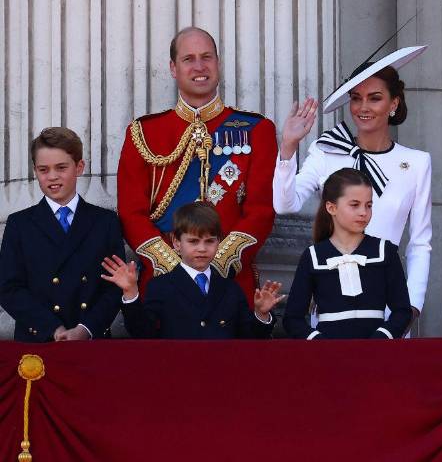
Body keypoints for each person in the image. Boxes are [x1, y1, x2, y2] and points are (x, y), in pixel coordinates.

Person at [273, 46, 431, 330]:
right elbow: (285, 204)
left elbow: (419, 242)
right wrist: (288, 148)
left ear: (394, 104)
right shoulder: (327, 151)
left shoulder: (417, 163)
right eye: (356, 98)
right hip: (331, 300)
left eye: (375, 98)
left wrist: (411, 307)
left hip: (388, 303)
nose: (363, 108)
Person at [117, 27, 276, 301]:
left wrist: (216, 265)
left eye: (207, 57)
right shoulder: (142, 133)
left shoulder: (256, 129)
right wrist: (173, 268)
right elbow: (131, 213)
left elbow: (261, 210)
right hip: (162, 284)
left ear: (218, 63)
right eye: (188, 59)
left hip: (230, 286)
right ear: (173, 68)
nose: (199, 66)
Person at [0, 128, 124, 341]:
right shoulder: (19, 224)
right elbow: (9, 289)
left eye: (61, 167)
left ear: (79, 167)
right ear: (35, 171)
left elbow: (115, 287)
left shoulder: (105, 222)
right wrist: (53, 328)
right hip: (39, 340)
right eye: (43, 169)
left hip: (92, 341)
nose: (52, 177)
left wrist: (86, 329)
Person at [101, 202, 282, 339]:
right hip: (177, 377)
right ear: (177, 242)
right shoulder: (161, 286)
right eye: (193, 241)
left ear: (219, 242)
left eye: (210, 241)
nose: (202, 249)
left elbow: (250, 339)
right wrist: (131, 294)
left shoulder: (230, 289)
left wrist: (261, 314)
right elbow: (141, 332)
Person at [283, 168, 412, 339]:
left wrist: (381, 338)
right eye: (354, 205)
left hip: (377, 356)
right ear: (331, 207)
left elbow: (402, 311)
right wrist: (320, 342)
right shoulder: (313, 256)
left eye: (369, 205)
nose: (363, 212)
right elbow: (292, 319)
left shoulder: (384, 251)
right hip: (330, 358)